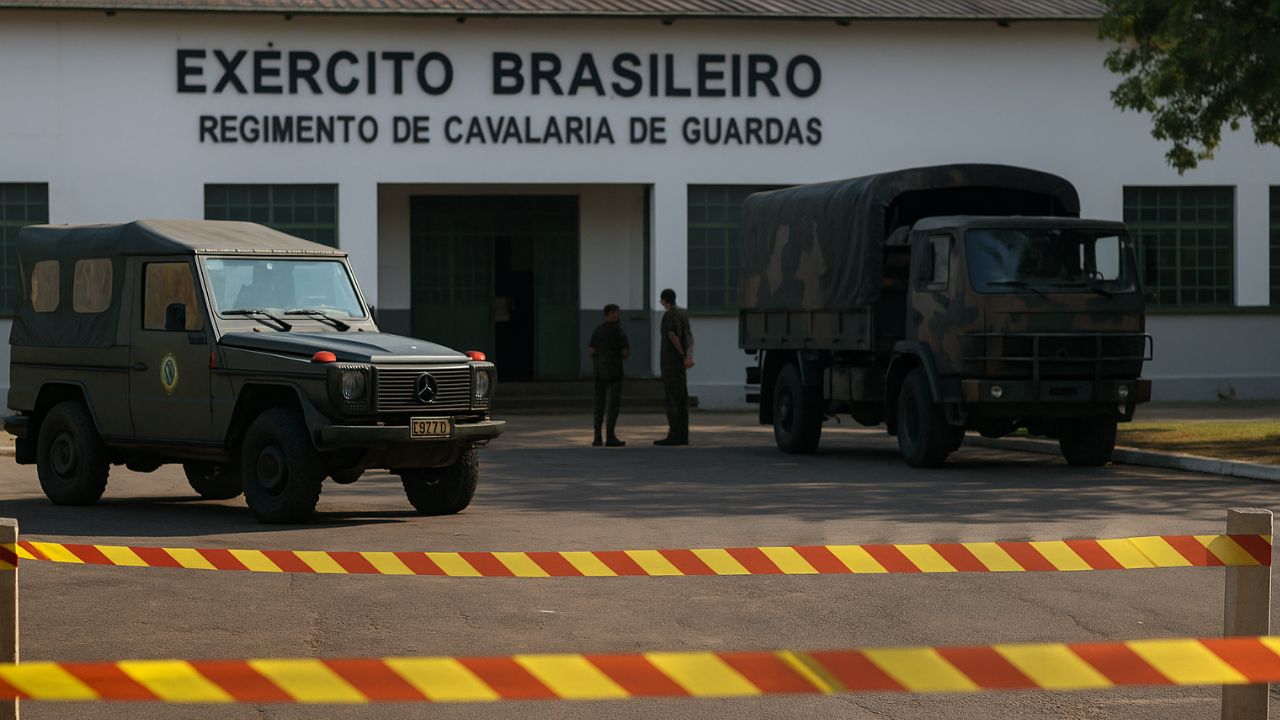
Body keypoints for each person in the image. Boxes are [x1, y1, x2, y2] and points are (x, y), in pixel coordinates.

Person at [655, 288, 693, 446]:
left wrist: (682, 353)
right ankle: (683, 434)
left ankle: (674, 434)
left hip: (671, 362)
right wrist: (688, 356)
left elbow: (672, 335)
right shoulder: (683, 313)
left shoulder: (669, 315)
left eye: (661, 300)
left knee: (672, 399)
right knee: (682, 397)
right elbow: (689, 336)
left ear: (664, 300)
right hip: (681, 364)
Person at [588, 303, 629, 447]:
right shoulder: (619, 331)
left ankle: (597, 437)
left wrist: (599, 360)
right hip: (615, 372)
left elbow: (591, 350)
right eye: (615, 312)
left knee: (599, 404)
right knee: (613, 405)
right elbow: (625, 352)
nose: (616, 315)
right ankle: (610, 436)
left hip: (600, 371)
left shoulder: (598, 330)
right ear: (610, 314)